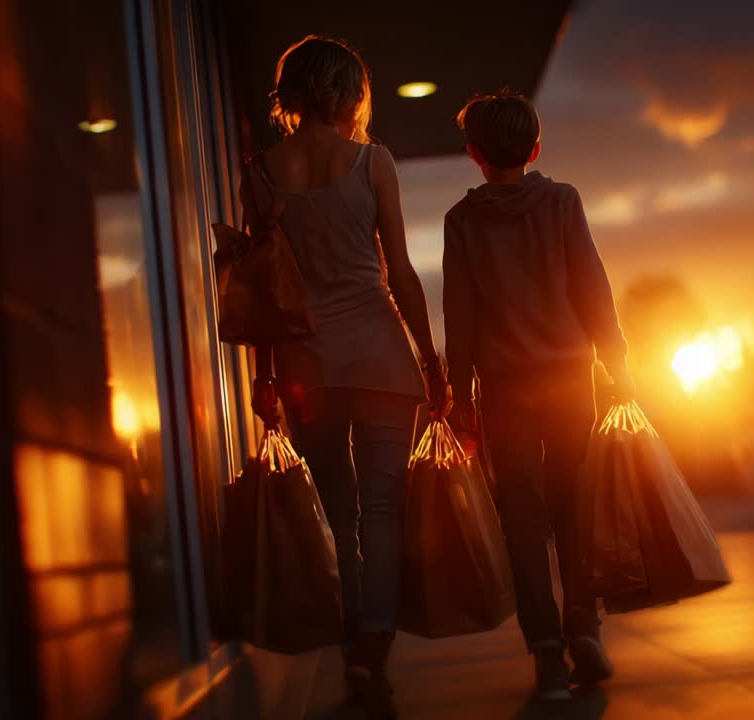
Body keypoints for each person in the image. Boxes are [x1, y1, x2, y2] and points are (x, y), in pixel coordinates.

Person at [246, 35, 450, 719]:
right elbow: (398, 268)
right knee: (384, 514)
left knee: (339, 515)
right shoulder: (372, 162)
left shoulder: (262, 174)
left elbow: (261, 290)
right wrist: (430, 356)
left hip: (309, 365)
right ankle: (373, 656)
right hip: (382, 356)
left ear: (295, 91)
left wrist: (265, 376)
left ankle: (352, 658)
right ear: (347, 91)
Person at [442, 92, 632, 701]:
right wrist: (616, 361)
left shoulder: (462, 221)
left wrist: (461, 392)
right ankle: (584, 626)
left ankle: (548, 654)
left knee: (521, 521)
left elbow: (460, 314)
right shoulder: (561, 202)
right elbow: (593, 288)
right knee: (576, 506)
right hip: (569, 382)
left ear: (473, 153)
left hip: (504, 390)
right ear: (536, 147)